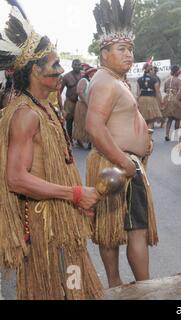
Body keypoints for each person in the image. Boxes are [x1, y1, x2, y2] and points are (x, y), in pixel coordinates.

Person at [0, 2, 103, 300]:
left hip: (62, 220)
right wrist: (75, 194)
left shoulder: (45, 106)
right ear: (34, 69)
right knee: (53, 291)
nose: (60, 71)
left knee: (73, 285)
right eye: (54, 65)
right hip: (45, 225)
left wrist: (76, 199)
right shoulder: (24, 114)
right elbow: (16, 179)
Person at [86, 0, 158, 289]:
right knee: (134, 231)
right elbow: (93, 127)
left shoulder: (115, 80)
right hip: (118, 167)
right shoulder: (105, 81)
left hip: (120, 163)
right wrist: (126, 162)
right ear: (105, 54)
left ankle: (117, 287)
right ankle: (147, 290)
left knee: (113, 231)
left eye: (130, 49)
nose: (129, 54)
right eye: (121, 49)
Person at [73, 67, 97, 149]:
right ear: (90, 73)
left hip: (90, 105)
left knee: (90, 124)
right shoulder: (83, 80)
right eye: (94, 72)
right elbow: (79, 92)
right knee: (81, 123)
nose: (95, 73)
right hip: (82, 105)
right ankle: (79, 140)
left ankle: (90, 142)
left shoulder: (92, 81)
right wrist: (87, 103)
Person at [60, 59, 82, 142]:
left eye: (78, 64)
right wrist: (59, 104)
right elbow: (60, 90)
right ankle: (69, 139)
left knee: (79, 122)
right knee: (69, 121)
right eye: (75, 64)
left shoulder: (83, 75)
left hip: (80, 103)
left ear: (80, 66)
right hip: (70, 102)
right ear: (72, 66)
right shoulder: (66, 76)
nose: (77, 66)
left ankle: (79, 140)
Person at [137, 62, 163, 129]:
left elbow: (138, 93)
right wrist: (161, 101)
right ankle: (149, 137)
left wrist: (137, 102)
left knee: (144, 119)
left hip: (142, 99)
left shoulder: (139, 80)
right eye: (153, 70)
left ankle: (145, 135)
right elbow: (158, 92)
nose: (153, 72)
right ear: (150, 70)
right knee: (151, 119)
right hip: (151, 99)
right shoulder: (154, 79)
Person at [162, 65, 181, 141]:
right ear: (177, 71)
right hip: (176, 100)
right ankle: (176, 135)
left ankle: (167, 134)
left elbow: (165, 90)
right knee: (177, 118)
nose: (180, 72)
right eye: (179, 70)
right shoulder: (179, 81)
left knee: (170, 119)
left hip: (167, 99)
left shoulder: (167, 81)